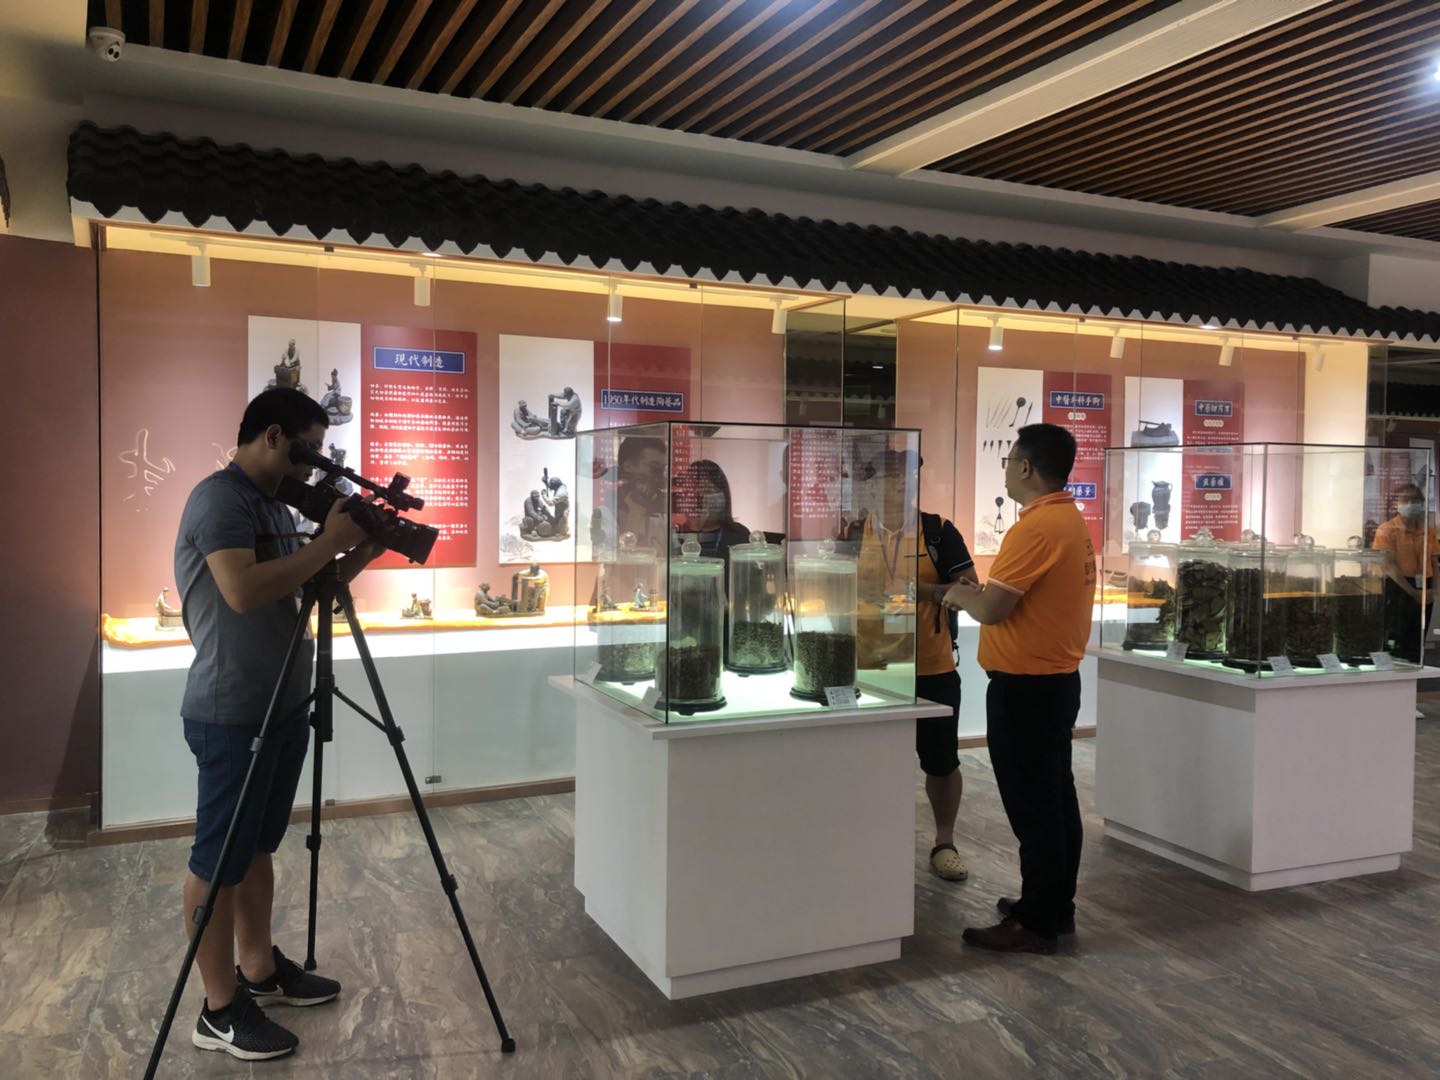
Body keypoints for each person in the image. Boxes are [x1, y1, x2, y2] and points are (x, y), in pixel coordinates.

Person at [174, 388, 380, 1060]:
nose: (312, 463)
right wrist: (328, 544)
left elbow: (310, 589)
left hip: (282, 702)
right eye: (307, 449)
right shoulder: (220, 500)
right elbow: (241, 591)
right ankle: (218, 1009)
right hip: (233, 710)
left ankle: (259, 970)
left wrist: (361, 550)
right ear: (271, 436)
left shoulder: (274, 506)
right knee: (216, 862)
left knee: (258, 848)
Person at [943, 423, 1095, 954]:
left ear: (1026, 467)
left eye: (1009, 460)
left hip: (1028, 688)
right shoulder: (1067, 519)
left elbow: (991, 610)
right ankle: (1055, 905)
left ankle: (1036, 921)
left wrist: (957, 596)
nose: (1006, 470)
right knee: (1055, 799)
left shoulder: (1035, 528)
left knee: (1035, 806)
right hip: (1054, 682)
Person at [852, 450, 978, 882]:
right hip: (870, 667)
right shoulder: (854, 531)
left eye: (901, 478)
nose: (892, 486)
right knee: (869, 762)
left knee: (941, 761)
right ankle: (870, 842)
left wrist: (918, 591)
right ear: (871, 486)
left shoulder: (938, 532)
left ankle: (945, 841)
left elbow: (970, 589)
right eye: (883, 479)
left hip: (931, 666)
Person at [1372, 482, 1439, 664]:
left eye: (1415, 500)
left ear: (1422, 503)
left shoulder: (1428, 531)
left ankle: (1415, 669)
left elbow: (1435, 561)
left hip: (1425, 584)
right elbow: (1389, 565)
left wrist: (1434, 591)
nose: (1410, 504)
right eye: (1405, 500)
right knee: (1397, 632)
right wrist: (1412, 592)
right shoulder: (1387, 530)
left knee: (1418, 633)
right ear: (1396, 503)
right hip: (1398, 585)